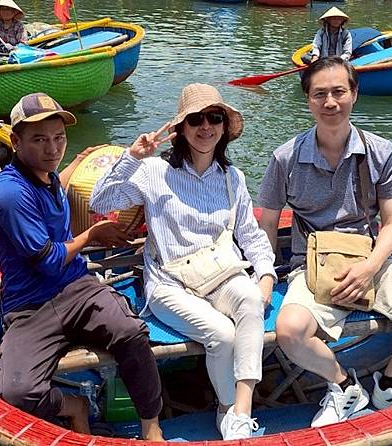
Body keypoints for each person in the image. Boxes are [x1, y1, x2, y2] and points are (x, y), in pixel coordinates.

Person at [257, 57, 392, 427]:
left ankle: (391, 382)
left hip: (371, 259)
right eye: (320, 94)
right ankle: (345, 386)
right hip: (311, 267)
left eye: (339, 91)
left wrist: (369, 268)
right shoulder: (285, 157)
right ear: (308, 100)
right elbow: (268, 224)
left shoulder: (381, 151)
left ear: (354, 94)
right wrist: (266, 277)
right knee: (289, 331)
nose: (330, 102)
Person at [89, 83, 277, 440]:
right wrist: (132, 157)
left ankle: (240, 412)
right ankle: (226, 408)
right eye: (195, 119)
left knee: (252, 300)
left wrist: (266, 274)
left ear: (224, 126)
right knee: (222, 335)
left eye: (214, 118)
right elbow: (100, 202)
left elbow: (251, 236)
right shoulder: (153, 171)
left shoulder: (232, 178)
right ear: (181, 128)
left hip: (220, 273)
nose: (206, 126)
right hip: (169, 281)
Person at [0, 92, 164, 441]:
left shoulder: (47, 174)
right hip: (30, 306)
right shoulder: (9, 194)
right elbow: (49, 262)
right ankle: (73, 406)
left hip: (77, 288)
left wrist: (80, 161)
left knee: (131, 333)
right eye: (39, 140)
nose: (53, 149)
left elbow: (60, 181)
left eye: (59, 138)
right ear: (15, 142)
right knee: (16, 394)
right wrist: (91, 235)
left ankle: (152, 427)